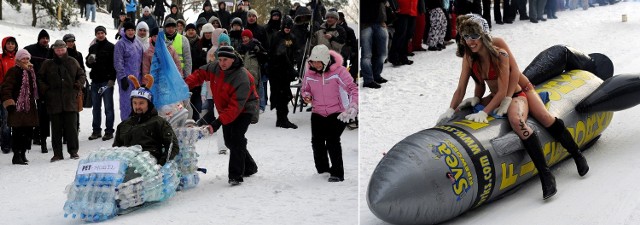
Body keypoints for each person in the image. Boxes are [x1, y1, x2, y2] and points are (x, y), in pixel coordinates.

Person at [438, 16, 589, 199]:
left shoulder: (498, 48)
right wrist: (452, 108)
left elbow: (515, 71)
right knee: (466, 108)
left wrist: (507, 99)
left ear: (484, 34)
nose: (470, 40)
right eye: (466, 36)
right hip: (497, 94)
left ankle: (570, 158)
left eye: (474, 35)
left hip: (519, 88)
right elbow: (464, 86)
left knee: (541, 118)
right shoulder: (469, 56)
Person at [185, 46, 259, 186]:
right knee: (229, 141)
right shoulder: (215, 67)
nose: (222, 63)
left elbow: (235, 107)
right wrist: (185, 86)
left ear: (233, 59)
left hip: (245, 108)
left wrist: (216, 123)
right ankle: (250, 166)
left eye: (225, 60)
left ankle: (235, 175)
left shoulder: (242, 77)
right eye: (220, 59)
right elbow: (200, 74)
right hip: (226, 108)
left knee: (236, 138)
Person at [301, 45, 358, 182]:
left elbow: (352, 89)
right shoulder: (309, 73)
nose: (315, 65)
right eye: (313, 62)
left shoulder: (339, 72)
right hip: (318, 112)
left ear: (326, 60)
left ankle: (337, 173)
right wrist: (306, 95)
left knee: (332, 140)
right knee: (317, 142)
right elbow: (305, 89)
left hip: (337, 112)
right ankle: (322, 170)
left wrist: (354, 105)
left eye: (318, 62)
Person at [113, 75, 180, 166]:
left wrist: (161, 165)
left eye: (141, 103)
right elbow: (115, 149)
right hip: (125, 165)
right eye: (135, 103)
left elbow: (173, 146)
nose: (137, 107)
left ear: (149, 104)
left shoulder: (159, 122)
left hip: (148, 166)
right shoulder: (124, 125)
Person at [37, 40, 86, 162]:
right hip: (54, 102)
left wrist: (77, 85)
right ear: (54, 50)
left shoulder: (73, 61)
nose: (60, 51)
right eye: (57, 49)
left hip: (70, 100)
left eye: (62, 49)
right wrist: (46, 90)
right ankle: (57, 153)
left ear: (66, 49)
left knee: (72, 129)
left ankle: (73, 151)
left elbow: (82, 75)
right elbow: (40, 78)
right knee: (56, 130)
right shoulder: (47, 64)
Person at [1, 49, 38, 165]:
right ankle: (16, 155)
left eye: (27, 58)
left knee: (28, 132)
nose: (25, 60)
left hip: (29, 107)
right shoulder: (13, 71)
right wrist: (9, 103)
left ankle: (23, 153)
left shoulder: (31, 71)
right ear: (18, 59)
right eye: (23, 58)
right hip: (17, 107)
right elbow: (6, 88)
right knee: (18, 132)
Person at [86, 26, 116, 141]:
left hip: (106, 81)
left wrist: (112, 79)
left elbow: (115, 64)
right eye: (98, 33)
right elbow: (88, 64)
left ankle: (109, 131)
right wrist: (89, 61)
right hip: (95, 81)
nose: (100, 35)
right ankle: (96, 131)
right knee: (96, 108)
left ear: (105, 34)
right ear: (96, 34)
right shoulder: (92, 47)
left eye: (102, 33)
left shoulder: (111, 47)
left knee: (108, 107)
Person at [24, 29, 51, 153]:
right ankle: (31, 136)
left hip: (45, 88)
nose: (45, 40)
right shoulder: (31, 49)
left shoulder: (50, 52)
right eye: (43, 38)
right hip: (30, 85)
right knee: (30, 111)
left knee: (43, 113)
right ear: (39, 39)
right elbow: (22, 58)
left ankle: (41, 137)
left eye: (47, 38)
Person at [268, 17, 298, 129]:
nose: (287, 28)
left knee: (285, 95)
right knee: (280, 95)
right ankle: (281, 120)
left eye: (289, 26)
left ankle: (282, 119)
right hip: (276, 71)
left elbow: (294, 52)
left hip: (286, 72)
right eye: (285, 26)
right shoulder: (277, 36)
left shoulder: (292, 37)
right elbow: (276, 54)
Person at [114, 21, 144, 120]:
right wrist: (122, 77)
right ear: (125, 31)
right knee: (126, 104)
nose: (130, 32)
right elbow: (118, 62)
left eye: (132, 30)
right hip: (125, 79)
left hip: (137, 79)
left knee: (137, 103)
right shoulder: (120, 44)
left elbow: (141, 62)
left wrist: (142, 78)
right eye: (128, 30)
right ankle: (126, 127)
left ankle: (137, 127)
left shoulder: (138, 43)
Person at [360, 0, 389, 89]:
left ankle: (376, 75)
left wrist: (384, 19)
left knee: (382, 53)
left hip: (379, 21)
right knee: (367, 55)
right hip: (365, 23)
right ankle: (368, 80)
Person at [1, 36, 18, 154]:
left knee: (17, 118)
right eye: (8, 44)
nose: (11, 45)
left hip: (17, 92)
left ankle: (16, 142)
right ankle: (6, 144)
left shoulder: (19, 58)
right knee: (6, 119)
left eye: (13, 43)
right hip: (4, 92)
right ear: (4, 45)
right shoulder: (1, 59)